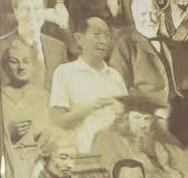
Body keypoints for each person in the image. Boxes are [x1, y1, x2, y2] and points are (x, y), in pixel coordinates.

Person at [50, 12, 129, 152]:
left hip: (117, 153)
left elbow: (126, 122)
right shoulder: (64, 73)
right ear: (79, 39)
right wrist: (91, 107)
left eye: (107, 36)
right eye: (97, 34)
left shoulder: (115, 76)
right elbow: (58, 122)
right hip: (83, 155)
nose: (103, 41)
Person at [0, 38, 53, 178]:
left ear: (33, 65)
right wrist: (9, 134)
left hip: (40, 171)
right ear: (5, 66)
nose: (21, 67)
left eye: (26, 61)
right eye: (14, 62)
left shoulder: (44, 98)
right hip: (11, 171)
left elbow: (57, 135)